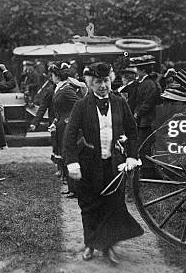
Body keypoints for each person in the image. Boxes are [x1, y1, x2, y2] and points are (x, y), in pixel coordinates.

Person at [63, 62, 144, 263]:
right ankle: (90, 244)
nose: (103, 86)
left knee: (113, 205)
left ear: (111, 80)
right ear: (90, 83)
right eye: (98, 82)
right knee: (89, 205)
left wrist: (132, 156)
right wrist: (72, 163)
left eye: (106, 81)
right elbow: (69, 136)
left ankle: (109, 247)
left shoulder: (119, 102)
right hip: (89, 164)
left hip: (114, 164)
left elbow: (132, 131)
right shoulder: (81, 105)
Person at [47, 63, 80, 196]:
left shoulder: (66, 89)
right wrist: (56, 121)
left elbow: (78, 104)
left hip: (67, 126)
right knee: (64, 154)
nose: (52, 78)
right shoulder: (59, 88)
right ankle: (71, 187)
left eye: (53, 75)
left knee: (68, 154)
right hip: (61, 125)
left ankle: (75, 188)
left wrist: (70, 119)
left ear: (57, 76)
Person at [130, 55, 161, 179]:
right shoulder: (145, 83)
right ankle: (146, 172)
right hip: (144, 120)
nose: (136, 72)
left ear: (142, 70)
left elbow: (147, 103)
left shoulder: (149, 84)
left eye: (138, 69)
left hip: (147, 120)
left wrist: (137, 114)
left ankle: (149, 173)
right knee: (143, 146)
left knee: (144, 147)